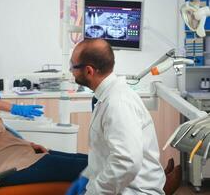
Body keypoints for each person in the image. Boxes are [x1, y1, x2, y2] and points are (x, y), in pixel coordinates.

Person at [66, 39, 166, 195]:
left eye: (73, 66)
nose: (70, 70)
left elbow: (126, 162)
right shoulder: (106, 96)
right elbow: (104, 153)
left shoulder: (117, 103)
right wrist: (86, 177)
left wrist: (93, 192)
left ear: (89, 71)